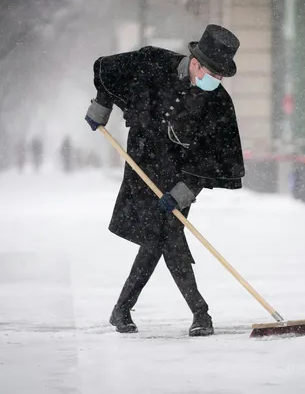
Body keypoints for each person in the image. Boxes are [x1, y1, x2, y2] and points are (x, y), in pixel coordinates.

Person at [85, 24, 245, 336]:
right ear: (196, 62)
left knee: (163, 236)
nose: (217, 81)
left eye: (221, 77)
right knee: (163, 237)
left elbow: (214, 156)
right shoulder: (152, 63)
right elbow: (108, 70)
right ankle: (199, 312)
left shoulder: (218, 102)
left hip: (179, 176)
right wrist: (101, 104)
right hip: (142, 163)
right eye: (213, 73)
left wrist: (186, 190)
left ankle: (123, 310)